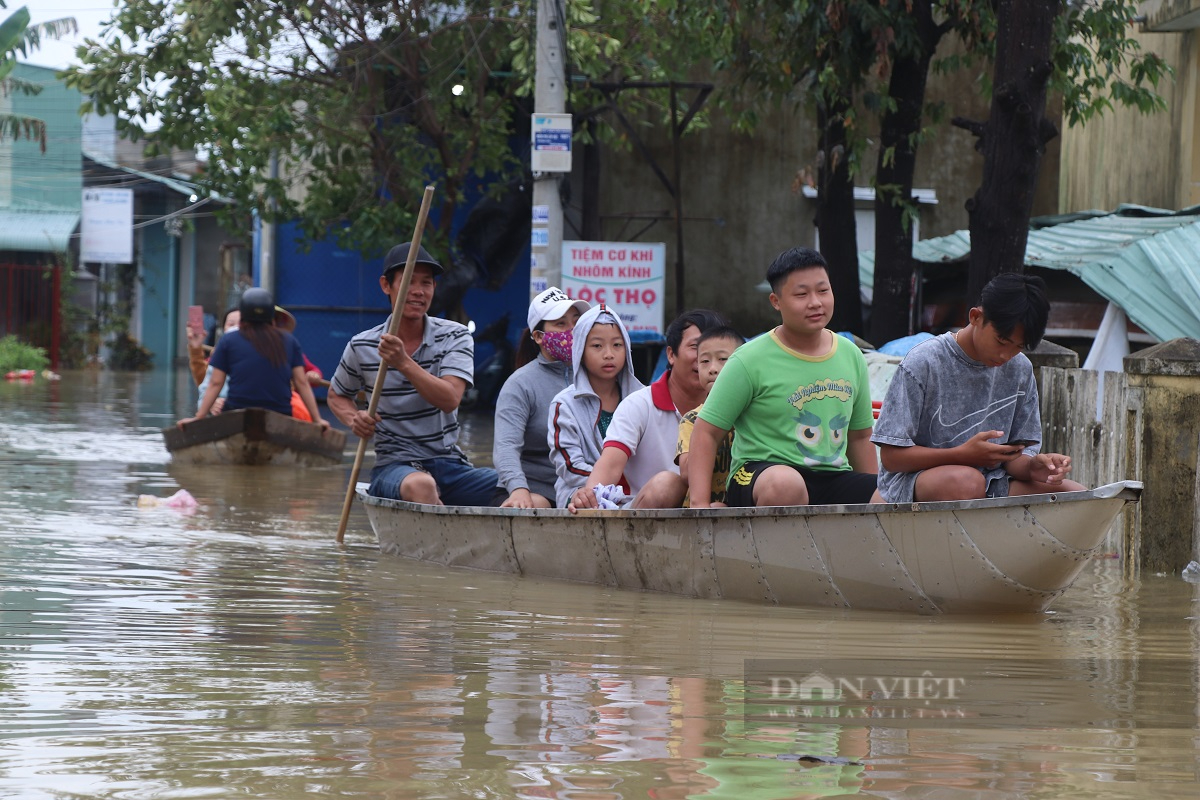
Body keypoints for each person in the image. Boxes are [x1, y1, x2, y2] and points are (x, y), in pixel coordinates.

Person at [688, 247, 881, 509]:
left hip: (832, 476)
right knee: (787, 485)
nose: (815, 302)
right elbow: (706, 432)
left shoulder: (851, 355)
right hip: (760, 475)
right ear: (776, 301)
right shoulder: (749, 359)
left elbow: (859, 437)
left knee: (890, 492)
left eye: (823, 291)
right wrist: (700, 506)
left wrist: (874, 506)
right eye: (802, 294)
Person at [871, 272, 1084, 501]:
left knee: (1077, 495)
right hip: (916, 482)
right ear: (975, 317)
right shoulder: (924, 361)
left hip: (992, 482)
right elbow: (892, 458)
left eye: (1018, 347)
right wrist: (962, 455)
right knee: (967, 482)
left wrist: (1034, 467)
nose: (1006, 355)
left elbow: (1013, 458)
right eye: (1001, 341)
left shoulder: (1020, 368)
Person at [326, 242, 497, 506]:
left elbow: (450, 398)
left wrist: (403, 362)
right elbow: (337, 395)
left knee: (519, 486)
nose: (418, 292)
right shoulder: (362, 345)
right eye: (408, 282)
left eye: (426, 283)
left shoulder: (455, 336)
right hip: (395, 467)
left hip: (451, 464)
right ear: (386, 285)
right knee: (422, 484)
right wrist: (354, 419)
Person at [568, 308, 728, 512]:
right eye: (696, 348)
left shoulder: (736, 408)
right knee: (666, 485)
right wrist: (589, 496)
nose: (707, 361)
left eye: (719, 354)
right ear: (671, 354)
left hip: (710, 515)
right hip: (642, 521)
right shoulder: (639, 404)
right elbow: (610, 464)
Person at [492, 287, 590, 508]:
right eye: (561, 324)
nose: (572, 330)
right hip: (535, 490)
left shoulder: (597, 377)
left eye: (576, 321)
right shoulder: (520, 384)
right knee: (534, 505)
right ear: (538, 336)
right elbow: (506, 447)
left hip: (585, 486)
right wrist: (518, 489)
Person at [179, 288, 327, 428]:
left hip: (236, 411)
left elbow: (215, 383)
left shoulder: (228, 340)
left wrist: (199, 417)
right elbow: (302, 382)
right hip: (281, 412)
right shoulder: (289, 341)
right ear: (271, 317)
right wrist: (317, 420)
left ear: (243, 315)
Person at [548, 303, 644, 509]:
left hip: (635, 491)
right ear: (580, 351)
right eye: (597, 346)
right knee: (584, 501)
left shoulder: (642, 399)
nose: (609, 354)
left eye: (617, 345)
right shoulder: (564, 404)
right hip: (581, 491)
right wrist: (607, 485)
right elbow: (569, 465)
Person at [675, 326, 744, 507]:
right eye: (704, 361)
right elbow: (686, 473)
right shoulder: (692, 419)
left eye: (723, 359)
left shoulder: (754, 416)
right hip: (701, 511)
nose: (713, 368)